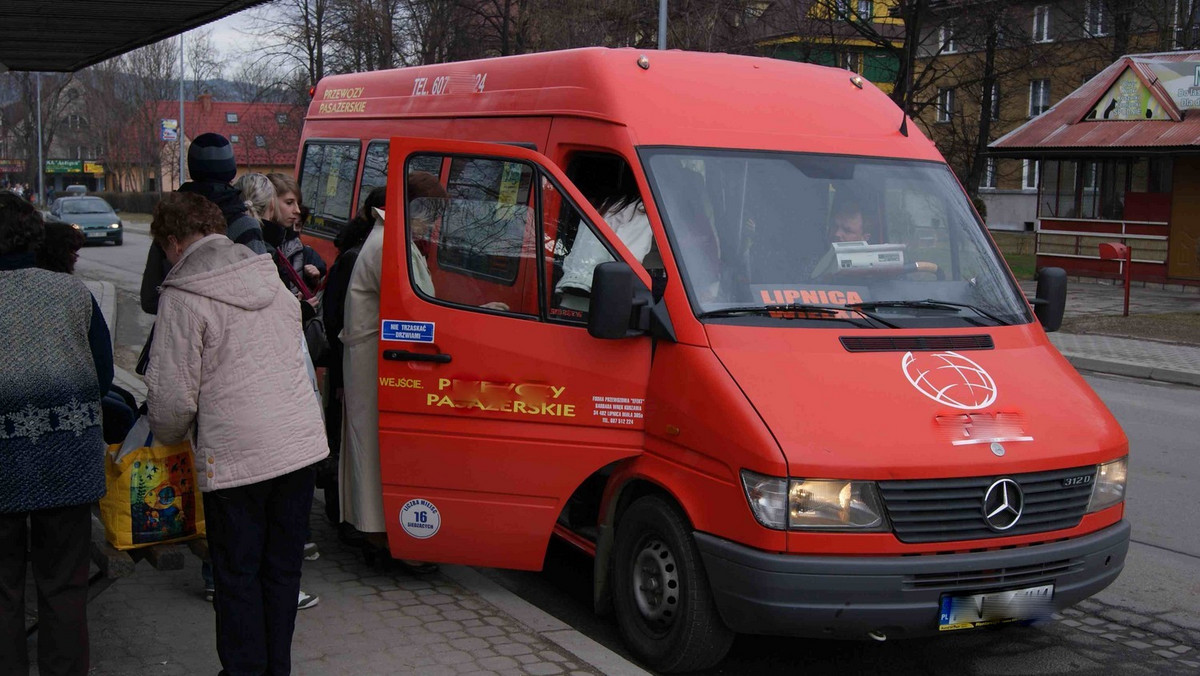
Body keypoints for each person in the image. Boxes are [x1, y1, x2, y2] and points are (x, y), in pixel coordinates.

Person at [144, 192, 328, 675]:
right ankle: (276, 667)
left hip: (237, 460)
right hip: (299, 449)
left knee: (237, 575)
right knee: (282, 572)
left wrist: (166, 438)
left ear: (173, 241)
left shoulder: (184, 295)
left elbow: (171, 401)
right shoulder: (269, 273)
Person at [1, 191, 113, 676]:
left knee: (2, 591)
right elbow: (103, 376)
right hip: (67, 462)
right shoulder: (73, 293)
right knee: (65, 587)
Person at [340, 172, 443, 573]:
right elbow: (416, 309)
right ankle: (380, 537)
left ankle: (380, 533)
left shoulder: (392, 240)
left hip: (375, 358)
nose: (433, 221)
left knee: (372, 445)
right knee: (374, 447)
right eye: (428, 211)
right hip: (375, 362)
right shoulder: (389, 244)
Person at [140, 132, 268, 315]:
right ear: (231, 170)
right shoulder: (243, 225)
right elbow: (261, 292)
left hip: (176, 333)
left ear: (192, 168)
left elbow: (150, 299)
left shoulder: (171, 222)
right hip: (230, 337)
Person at [320, 187, 386, 531]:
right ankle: (341, 516)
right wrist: (342, 379)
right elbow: (336, 320)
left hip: (349, 360)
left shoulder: (365, 249)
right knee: (344, 439)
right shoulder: (358, 256)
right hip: (346, 362)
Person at [556, 167, 653, 312]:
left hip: (573, 292)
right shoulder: (641, 210)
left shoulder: (607, 203)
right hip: (599, 299)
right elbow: (629, 261)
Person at [267, 173, 326, 291]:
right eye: (289, 203)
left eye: (297, 204)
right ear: (271, 201)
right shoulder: (257, 240)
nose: (297, 210)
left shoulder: (294, 244)